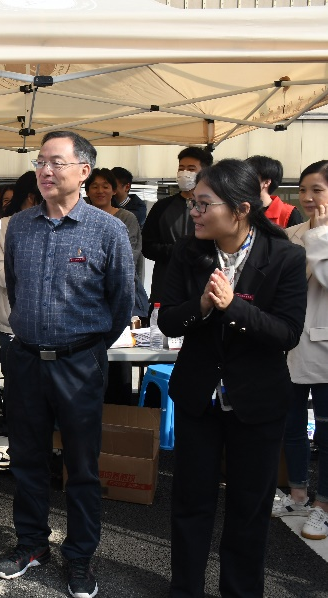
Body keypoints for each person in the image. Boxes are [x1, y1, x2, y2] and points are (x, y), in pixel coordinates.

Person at [157, 159, 307, 597]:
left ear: (241, 209)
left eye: (204, 204)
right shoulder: (188, 252)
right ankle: (185, 587)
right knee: (191, 501)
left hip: (257, 400)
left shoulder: (283, 256)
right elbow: (169, 322)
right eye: (194, 203)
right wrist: (203, 305)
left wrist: (233, 307)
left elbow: (287, 333)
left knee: (249, 506)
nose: (195, 212)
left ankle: (240, 590)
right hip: (198, 397)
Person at [0, 131, 133, 598]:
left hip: (80, 362)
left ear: (84, 170)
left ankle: (80, 556)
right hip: (26, 359)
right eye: (40, 162)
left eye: (56, 162)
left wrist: (90, 348)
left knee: (82, 466)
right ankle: (32, 543)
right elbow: (15, 288)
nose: (45, 170)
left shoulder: (107, 229)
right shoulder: (20, 226)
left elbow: (122, 300)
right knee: (27, 459)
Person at [276, 160, 328, 541]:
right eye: (304, 190)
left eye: (317, 190)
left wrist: (320, 237)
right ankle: (297, 494)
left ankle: (323, 505)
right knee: (291, 426)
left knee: (326, 432)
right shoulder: (292, 233)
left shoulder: (313, 236)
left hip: (325, 348)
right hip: (290, 344)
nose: (308, 198)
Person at [0, 171, 40, 394]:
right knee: (17, 389)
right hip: (12, 322)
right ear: (31, 197)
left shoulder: (54, 223)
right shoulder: (2, 226)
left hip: (50, 326)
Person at [143, 147, 213, 307]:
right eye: (181, 168)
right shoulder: (162, 207)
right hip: (165, 282)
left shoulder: (213, 207)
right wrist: (176, 250)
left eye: (191, 169)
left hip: (202, 282)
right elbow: (147, 246)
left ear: (204, 172)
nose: (184, 173)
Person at [85, 168, 147, 318]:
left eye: (105, 186)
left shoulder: (126, 218)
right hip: (88, 292)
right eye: (94, 186)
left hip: (121, 290)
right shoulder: (82, 219)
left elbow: (129, 256)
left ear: (113, 191)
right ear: (87, 192)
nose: (100, 191)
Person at [245, 155, 305, 229]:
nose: (243, 181)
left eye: (249, 176)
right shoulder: (239, 210)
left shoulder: (289, 214)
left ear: (266, 182)